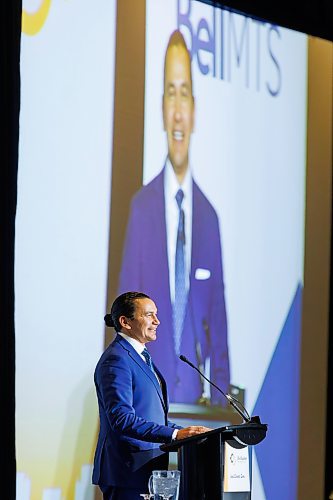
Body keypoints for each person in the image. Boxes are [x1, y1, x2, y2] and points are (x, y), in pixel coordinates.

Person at [118, 30, 230, 405]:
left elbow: (219, 329)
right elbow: (122, 322)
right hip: (146, 405)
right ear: (162, 108)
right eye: (170, 92)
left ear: (194, 110)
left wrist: (225, 411)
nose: (178, 110)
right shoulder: (141, 209)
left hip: (197, 416)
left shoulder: (210, 219)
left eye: (184, 93)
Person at [92, 291, 211, 500]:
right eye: (149, 315)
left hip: (148, 469)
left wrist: (190, 433)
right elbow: (121, 419)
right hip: (128, 472)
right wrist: (175, 435)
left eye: (155, 314)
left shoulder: (140, 357)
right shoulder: (117, 360)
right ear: (125, 322)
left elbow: (153, 417)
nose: (157, 321)